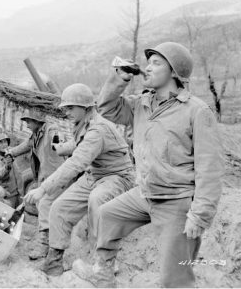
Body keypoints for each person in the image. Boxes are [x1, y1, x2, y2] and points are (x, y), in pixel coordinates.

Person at [73, 42, 224, 288]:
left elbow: (210, 169)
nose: (147, 68)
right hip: (145, 194)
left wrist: (200, 216)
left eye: (156, 63)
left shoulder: (196, 111)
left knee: (175, 279)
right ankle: (102, 273)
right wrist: (119, 79)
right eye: (148, 62)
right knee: (108, 214)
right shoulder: (141, 104)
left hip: (176, 201)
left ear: (174, 72)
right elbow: (107, 108)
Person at [24, 83, 135, 276]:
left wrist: (43, 189)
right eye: (65, 108)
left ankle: (106, 261)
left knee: (97, 200)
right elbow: (77, 144)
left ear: (86, 107)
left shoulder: (98, 129)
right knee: (59, 207)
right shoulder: (83, 124)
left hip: (117, 177)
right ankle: (54, 262)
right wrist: (62, 148)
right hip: (95, 175)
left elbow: (76, 163)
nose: (67, 112)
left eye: (71, 107)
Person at [7, 109, 65, 260]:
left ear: (38, 121)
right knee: (43, 207)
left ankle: (44, 245)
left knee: (45, 206)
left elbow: (60, 144)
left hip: (56, 177)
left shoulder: (51, 131)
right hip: (45, 178)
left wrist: (60, 145)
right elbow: (26, 145)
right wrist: (11, 153)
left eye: (29, 122)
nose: (26, 125)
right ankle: (48, 241)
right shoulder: (36, 135)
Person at [0, 133, 21, 208]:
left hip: (18, 191)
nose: (4, 144)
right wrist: (7, 166)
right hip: (7, 194)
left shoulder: (10, 153)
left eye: (5, 141)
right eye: (0, 143)